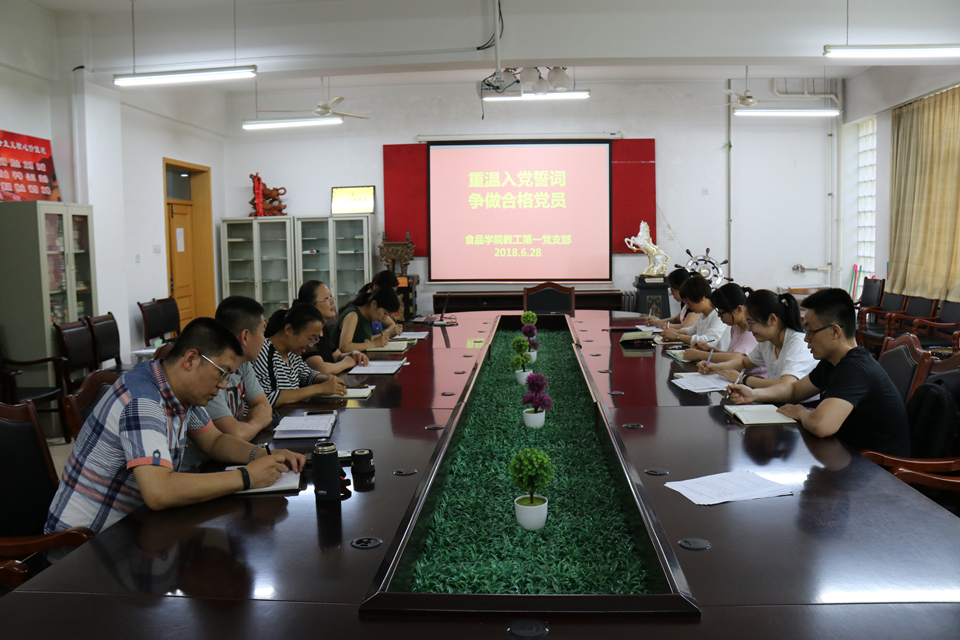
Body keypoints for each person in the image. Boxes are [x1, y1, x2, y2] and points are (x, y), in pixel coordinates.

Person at [44, 318, 306, 547]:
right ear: (191, 359)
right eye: (222, 373)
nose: (224, 385)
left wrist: (262, 454)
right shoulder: (143, 402)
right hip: (85, 547)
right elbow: (159, 491)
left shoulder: (174, 386)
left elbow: (215, 441)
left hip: (135, 529)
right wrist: (246, 477)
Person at [727, 288, 910, 456]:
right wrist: (754, 394)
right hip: (848, 454)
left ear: (835, 331)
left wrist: (801, 412)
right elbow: (794, 390)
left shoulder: (855, 368)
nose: (806, 339)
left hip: (877, 467)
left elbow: (822, 425)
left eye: (811, 331)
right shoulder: (832, 361)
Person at [701, 289, 816, 388]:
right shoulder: (768, 341)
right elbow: (744, 363)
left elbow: (786, 385)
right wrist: (716, 367)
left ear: (772, 319)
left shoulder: (798, 342)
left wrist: (742, 379)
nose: (749, 329)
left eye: (751, 323)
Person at [205, 296, 273, 441]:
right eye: (262, 332)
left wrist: (245, 427)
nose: (265, 340)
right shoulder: (210, 373)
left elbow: (265, 409)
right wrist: (255, 423)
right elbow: (236, 435)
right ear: (245, 336)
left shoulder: (243, 364)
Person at [254, 304, 347, 408]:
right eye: (310, 338)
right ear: (288, 330)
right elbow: (267, 398)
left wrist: (325, 379)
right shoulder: (262, 353)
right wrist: (319, 388)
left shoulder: (291, 353)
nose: (311, 345)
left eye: (315, 340)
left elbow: (307, 374)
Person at [295, 280, 370, 375]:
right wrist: (345, 363)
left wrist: (353, 354)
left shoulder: (323, 328)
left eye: (331, 296)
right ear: (311, 306)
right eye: (327, 298)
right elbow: (321, 369)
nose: (332, 301)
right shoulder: (306, 331)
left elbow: (337, 356)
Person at [683, 282, 760, 365]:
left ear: (739, 309)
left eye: (721, 313)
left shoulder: (751, 330)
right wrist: (711, 350)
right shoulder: (735, 326)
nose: (718, 316)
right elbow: (732, 354)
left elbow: (737, 358)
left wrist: (700, 355)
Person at [661, 274, 729, 348]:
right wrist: (674, 332)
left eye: (689, 301)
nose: (688, 306)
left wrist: (677, 336)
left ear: (701, 297)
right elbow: (692, 330)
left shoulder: (718, 315)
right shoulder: (703, 314)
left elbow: (708, 341)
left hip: (714, 355)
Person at [331, 285, 401, 354]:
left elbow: (365, 339)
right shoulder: (353, 315)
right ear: (374, 304)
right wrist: (374, 344)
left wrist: (381, 338)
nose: (385, 318)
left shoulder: (368, 317)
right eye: (385, 313)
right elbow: (344, 347)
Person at [341, 270, 402, 338]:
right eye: (389, 293)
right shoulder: (360, 310)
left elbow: (392, 326)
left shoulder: (379, 308)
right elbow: (363, 339)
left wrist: (389, 332)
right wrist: (385, 334)